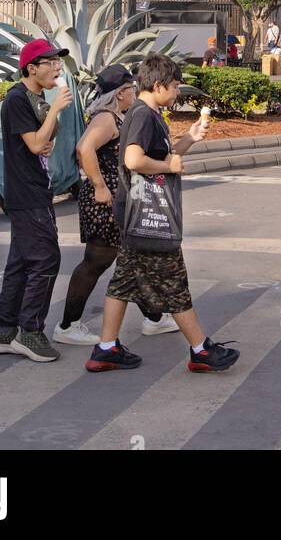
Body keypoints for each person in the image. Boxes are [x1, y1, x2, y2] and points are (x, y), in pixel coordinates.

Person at [86, 54, 240, 374]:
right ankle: (200, 350)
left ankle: (106, 347)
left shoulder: (149, 113)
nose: (177, 92)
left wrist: (189, 139)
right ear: (157, 86)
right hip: (147, 214)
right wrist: (168, 165)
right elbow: (133, 160)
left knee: (123, 281)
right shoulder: (142, 115)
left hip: (137, 212)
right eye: (173, 86)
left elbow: (162, 156)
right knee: (174, 280)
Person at [55, 65, 178, 345]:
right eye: (131, 88)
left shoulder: (118, 116)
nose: (135, 92)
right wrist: (99, 186)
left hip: (116, 196)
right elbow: (84, 148)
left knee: (130, 258)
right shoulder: (107, 119)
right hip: (105, 200)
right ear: (121, 93)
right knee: (97, 261)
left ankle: (155, 318)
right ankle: (67, 325)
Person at [0, 39, 73, 363]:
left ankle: (5, 330)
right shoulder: (17, 99)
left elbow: (42, 142)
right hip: (28, 193)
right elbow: (36, 144)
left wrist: (49, 125)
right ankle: (30, 332)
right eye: (49, 62)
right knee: (46, 260)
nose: (57, 68)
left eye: (58, 62)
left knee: (21, 262)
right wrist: (55, 112)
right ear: (31, 68)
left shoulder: (37, 98)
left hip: (35, 188)